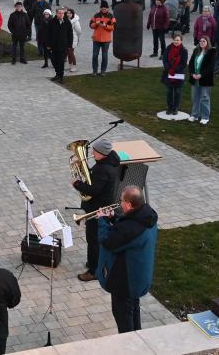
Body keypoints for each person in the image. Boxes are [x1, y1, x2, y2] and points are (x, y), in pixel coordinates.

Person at [96, 186, 159, 334]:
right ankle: (138, 340)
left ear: (130, 204)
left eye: (122, 201)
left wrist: (103, 221)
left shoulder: (131, 228)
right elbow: (127, 226)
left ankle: (131, 346)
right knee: (133, 310)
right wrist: (114, 218)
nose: (120, 203)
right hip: (138, 276)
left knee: (124, 319)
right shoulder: (147, 216)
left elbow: (108, 241)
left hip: (125, 281)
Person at [72, 137, 120, 282]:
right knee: (95, 239)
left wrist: (77, 183)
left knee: (93, 240)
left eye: (94, 151)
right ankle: (95, 262)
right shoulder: (108, 162)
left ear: (102, 153)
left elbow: (93, 190)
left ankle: (94, 271)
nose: (91, 152)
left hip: (97, 208)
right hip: (100, 205)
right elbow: (93, 178)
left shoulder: (103, 169)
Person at [188, 36, 216, 124]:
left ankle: (205, 116)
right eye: (200, 41)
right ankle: (195, 115)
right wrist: (192, 73)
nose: (202, 43)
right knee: (195, 97)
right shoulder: (196, 51)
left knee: (204, 97)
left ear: (207, 42)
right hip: (195, 78)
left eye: (204, 41)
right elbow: (191, 63)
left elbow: (210, 67)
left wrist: (201, 75)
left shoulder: (211, 52)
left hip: (205, 79)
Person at [161, 34, 188, 115]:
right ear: (173, 40)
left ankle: (176, 107)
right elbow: (165, 59)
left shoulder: (184, 51)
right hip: (168, 73)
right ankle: (169, 107)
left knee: (177, 91)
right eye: (175, 40)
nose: (176, 41)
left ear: (181, 41)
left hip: (178, 74)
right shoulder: (168, 48)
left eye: (178, 40)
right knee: (169, 91)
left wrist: (174, 70)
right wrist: (169, 69)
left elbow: (183, 63)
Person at [47, 7, 73, 82]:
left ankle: (61, 76)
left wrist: (69, 46)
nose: (61, 14)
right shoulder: (52, 22)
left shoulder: (67, 22)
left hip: (63, 46)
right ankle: (57, 74)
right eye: (59, 13)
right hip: (53, 45)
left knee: (61, 62)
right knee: (54, 61)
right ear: (56, 13)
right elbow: (48, 34)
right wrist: (48, 44)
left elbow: (70, 35)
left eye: (62, 13)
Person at [90, 1, 115, 76]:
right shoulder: (96, 15)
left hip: (106, 40)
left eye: (105, 9)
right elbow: (91, 25)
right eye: (102, 9)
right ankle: (94, 71)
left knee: (104, 56)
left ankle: (103, 71)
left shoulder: (111, 16)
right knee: (95, 55)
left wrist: (105, 25)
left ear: (108, 8)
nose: (103, 10)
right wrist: (96, 24)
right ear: (100, 8)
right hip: (96, 39)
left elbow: (112, 28)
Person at [67, 8, 82, 72]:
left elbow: (79, 31)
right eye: (67, 13)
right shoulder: (66, 20)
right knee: (68, 53)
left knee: (71, 52)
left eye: (70, 13)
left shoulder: (76, 22)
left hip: (73, 39)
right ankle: (70, 65)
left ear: (72, 14)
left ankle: (74, 66)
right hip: (67, 39)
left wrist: (77, 38)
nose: (68, 14)